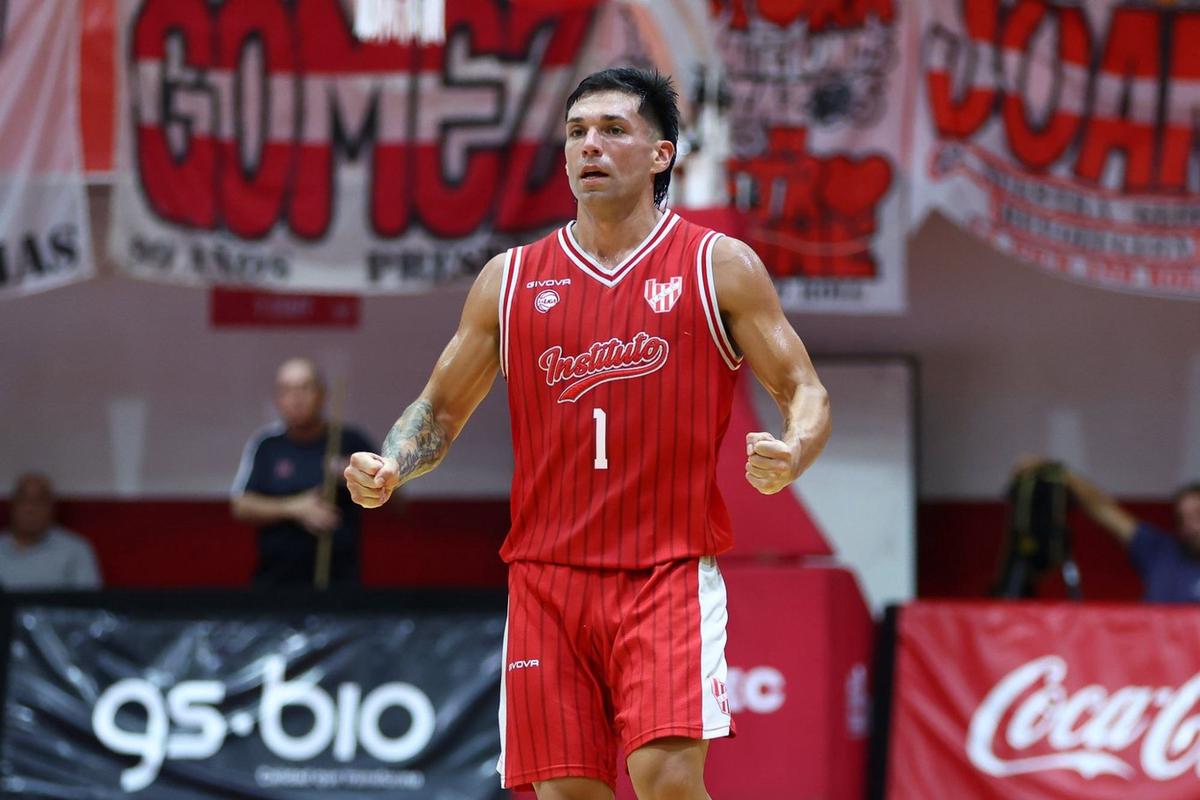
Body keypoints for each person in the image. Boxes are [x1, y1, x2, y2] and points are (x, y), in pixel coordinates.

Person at [345, 68, 831, 800]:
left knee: (665, 778)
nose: (589, 147)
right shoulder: (510, 280)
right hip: (547, 577)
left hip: (665, 569)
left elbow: (805, 390)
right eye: (576, 133)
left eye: (612, 130)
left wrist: (794, 449)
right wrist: (391, 463)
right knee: (569, 791)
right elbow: (439, 410)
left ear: (662, 153)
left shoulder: (717, 266)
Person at [231, 357, 374, 587]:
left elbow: (397, 500)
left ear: (321, 394)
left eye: (304, 388)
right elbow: (242, 505)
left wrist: (362, 476)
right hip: (275, 586)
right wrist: (294, 508)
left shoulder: (349, 442)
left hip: (339, 585)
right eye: (287, 390)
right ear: (277, 399)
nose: (296, 398)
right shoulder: (267, 446)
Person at [1016, 458, 1200, 603]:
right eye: (1181, 518)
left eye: (1198, 514)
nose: (1190, 525)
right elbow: (1103, 508)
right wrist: (1059, 472)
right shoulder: (1161, 551)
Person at [0, 473, 101, 591]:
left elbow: (90, 602)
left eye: (39, 501)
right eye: (23, 500)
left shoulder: (76, 550)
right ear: (11, 505)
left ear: (52, 508)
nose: (30, 509)